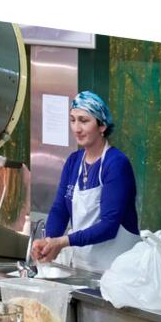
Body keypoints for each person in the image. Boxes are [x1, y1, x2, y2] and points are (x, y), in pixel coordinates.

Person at [31, 91, 139, 273]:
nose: (76, 128)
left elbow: (109, 226)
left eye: (84, 120)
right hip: (84, 268)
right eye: (72, 120)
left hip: (118, 272)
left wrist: (63, 242)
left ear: (102, 126)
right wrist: (49, 241)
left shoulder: (116, 164)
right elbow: (60, 209)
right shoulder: (74, 161)